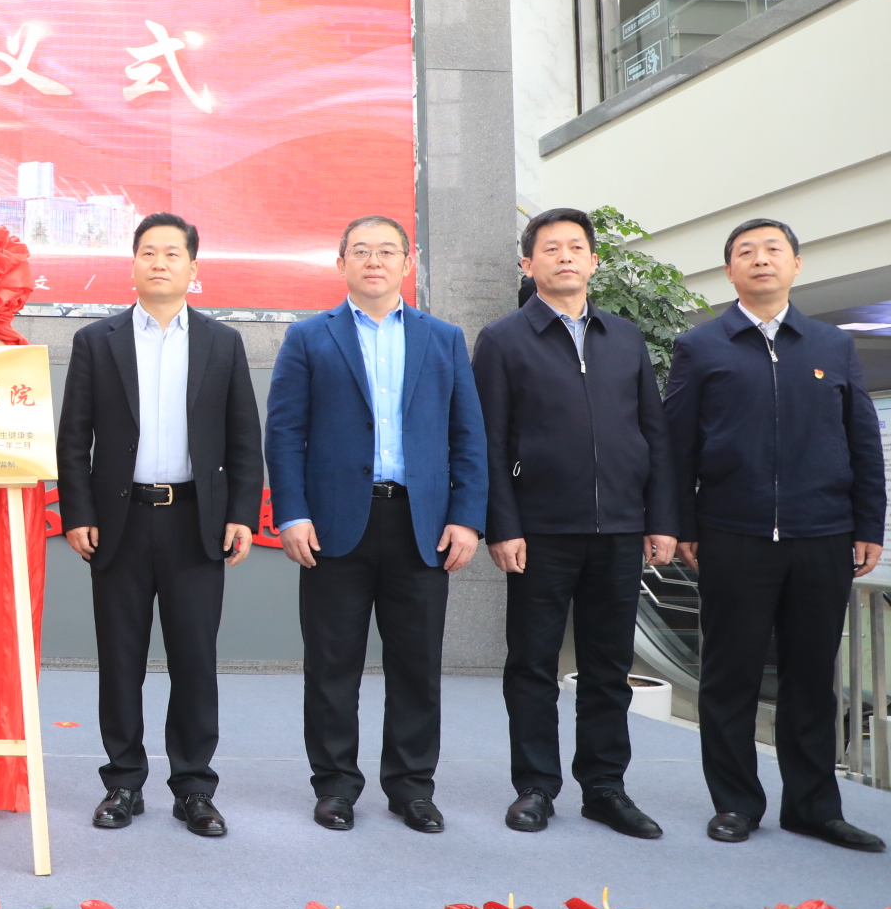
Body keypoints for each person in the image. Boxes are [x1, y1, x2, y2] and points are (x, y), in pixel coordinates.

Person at [665, 218, 886, 852]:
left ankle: (813, 807)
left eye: (773, 250)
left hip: (823, 535)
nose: (761, 260)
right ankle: (736, 803)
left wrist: (868, 523)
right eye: (746, 252)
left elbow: (862, 440)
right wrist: (682, 525)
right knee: (729, 676)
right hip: (732, 534)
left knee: (812, 679)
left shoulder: (831, 345)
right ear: (729, 270)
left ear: (796, 264)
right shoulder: (701, 346)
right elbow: (677, 446)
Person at [265, 214, 487, 834]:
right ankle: (335, 786)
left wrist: (467, 518)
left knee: (416, 665)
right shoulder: (309, 337)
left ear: (407, 263)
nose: (374, 261)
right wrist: (292, 513)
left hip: (421, 524)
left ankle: (411, 788)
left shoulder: (443, 339)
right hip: (335, 525)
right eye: (360, 251)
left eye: (387, 251)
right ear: (341, 264)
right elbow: (284, 434)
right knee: (331, 665)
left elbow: (468, 436)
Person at [471, 208, 677, 839]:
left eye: (576, 248)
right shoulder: (503, 340)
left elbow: (653, 433)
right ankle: (535, 786)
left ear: (593, 261)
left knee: (608, 667)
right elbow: (488, 441)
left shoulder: (625, 337)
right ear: (527, 264)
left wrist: (660, 518)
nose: (565, 256)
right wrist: (502, 526)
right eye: (551, 248)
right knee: (532, 665)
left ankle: (605, 787)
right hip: (539, 531)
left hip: (619, 528)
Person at [57, 213, 261, 838]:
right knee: (120, 658)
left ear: (193, 268)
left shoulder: (222, 343)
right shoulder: (98, 341)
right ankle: (122, 782)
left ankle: (194, 787)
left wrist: (241, 514)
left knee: (194, 659)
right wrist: (78, 513)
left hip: (195, 522)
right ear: (133, 264)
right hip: (119, 522)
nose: (160, 263)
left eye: (173, 253)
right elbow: (74, 439)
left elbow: (243, 438)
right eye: (148, 252)